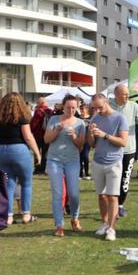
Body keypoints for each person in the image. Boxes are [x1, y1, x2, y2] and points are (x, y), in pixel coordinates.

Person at [0, 92, 41, 225]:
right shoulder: (22, 116)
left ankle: (9, 216)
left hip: (0, 150)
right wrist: (37, 153)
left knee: (8, 185)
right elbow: (28, 137)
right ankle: (26, 214)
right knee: (26, 183)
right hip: (19, 149)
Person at [44, 94, 86, 237]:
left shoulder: (80, 123)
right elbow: (46, 139)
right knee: (58, 193)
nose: (71, 110)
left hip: (72, 161)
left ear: (77, 107)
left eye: (73, 107)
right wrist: (57, 130)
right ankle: (59, 225)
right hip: (54, 160)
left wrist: (74, 136)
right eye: (68, 107)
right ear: (63, 106)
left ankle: (75, 218)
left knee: (73, 193)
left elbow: (80, 146)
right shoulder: (54, 120)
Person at [88, 93, 129, 242]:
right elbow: (92, 144)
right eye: (94, 108)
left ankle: (112, 229)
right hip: (98, 161)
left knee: (112, 197)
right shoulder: (95, 118)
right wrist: (91, 132)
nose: (97, 110)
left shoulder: (120, 118)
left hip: (114, 162)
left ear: (106, 102)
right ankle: (104, 223)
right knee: (101, 195)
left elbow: (123, 142)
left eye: (99, 107)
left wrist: (104, 135)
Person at [111, 84, 138, 217]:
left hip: (129, 149)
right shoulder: (109, 106)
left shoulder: (134, 106)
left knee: (125, 179)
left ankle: (120, 205)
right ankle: (111, 205)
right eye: (124, 94)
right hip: (112, 149)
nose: (127, 96)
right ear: (116, 94)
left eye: (127, 93)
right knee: (113, 179)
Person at [30, 97, 53, 174]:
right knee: (45, 152)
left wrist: (31, 131)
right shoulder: (50, 111)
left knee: (37, 151)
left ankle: (37, 169)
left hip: (38, 135)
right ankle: (43, 169)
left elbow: (34, 124)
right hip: (47, 134)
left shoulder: (38, 111)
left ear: (41, 103)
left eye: (38, 102)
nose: (36, 103)